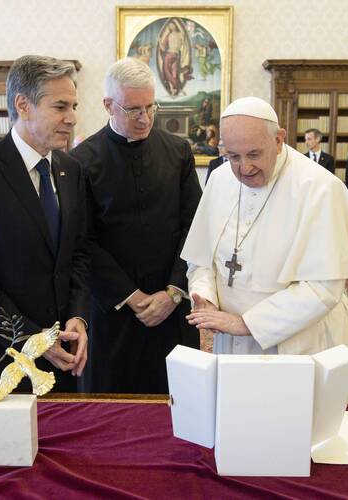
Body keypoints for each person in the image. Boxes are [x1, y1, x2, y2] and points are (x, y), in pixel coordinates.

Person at [182, 96, 348, 395]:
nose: (244, 168)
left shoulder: (319, 187)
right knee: (239, 422)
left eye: (254, 154)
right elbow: (201, 259)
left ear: (279, 139)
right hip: (233, 339)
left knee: (301, 431)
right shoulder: (219, 180)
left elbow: (323, 289)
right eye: (233, 156)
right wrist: (204, 296)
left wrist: (247, 323)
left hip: (299, 342)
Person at [0, 55, 89, 392]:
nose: (72, 118)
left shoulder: (71, 170)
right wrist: (31, 338)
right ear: (23, 105)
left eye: (74, 106)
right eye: (60, 107)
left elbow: (78, 254)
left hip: (62, 349)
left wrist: (79, 317)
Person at [70, 58, 202, 394]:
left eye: (150, 107)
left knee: (179, 405)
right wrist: (132, 297)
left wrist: (173, 292)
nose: (145, 118)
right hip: (113, 312)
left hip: (172, 308)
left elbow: (195, 226)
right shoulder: (81, 161)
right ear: (108, 106)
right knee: (111, 409)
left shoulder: (178, 151)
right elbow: (83, 240)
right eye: (133, 110)